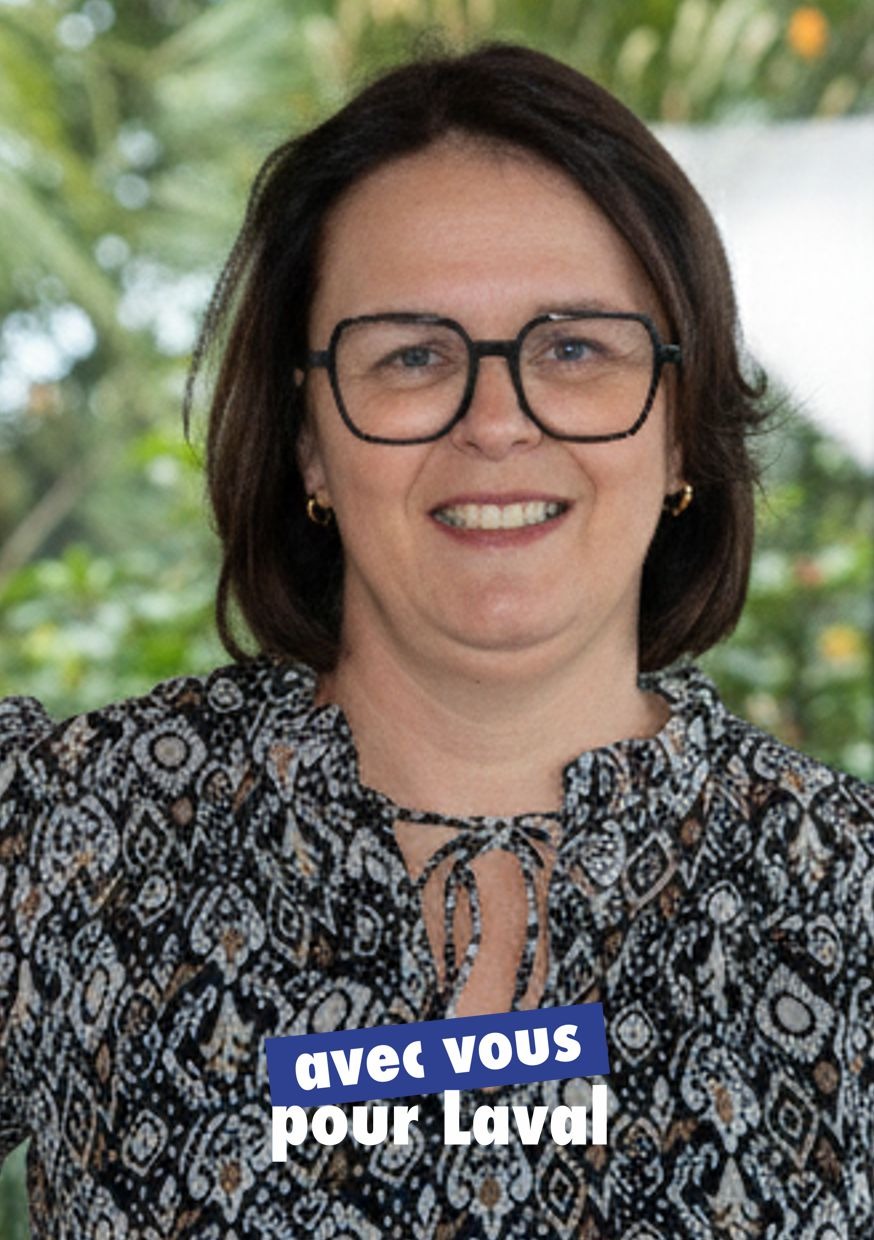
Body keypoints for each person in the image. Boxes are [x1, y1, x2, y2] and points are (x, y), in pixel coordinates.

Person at [1, 41, 872, 1240]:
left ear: (680, 426)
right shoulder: (65, 837)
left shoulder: (850, 896)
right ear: (309, 442)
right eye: (413, 356)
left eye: (574, 348)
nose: (496, 422)